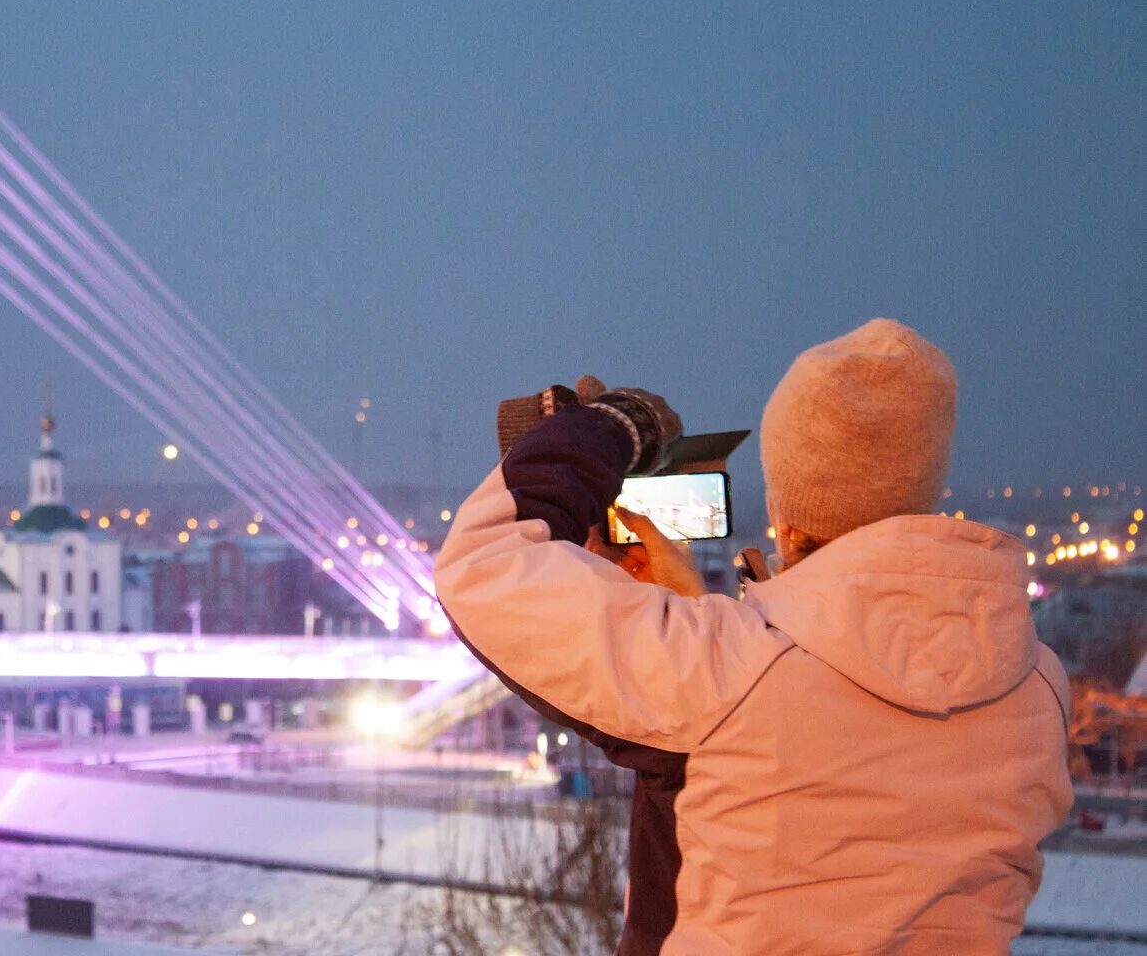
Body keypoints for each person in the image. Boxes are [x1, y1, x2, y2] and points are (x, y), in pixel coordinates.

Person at [434, 319, 1071, 955]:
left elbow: (487, 565)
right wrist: (701, 614)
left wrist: (608, 428)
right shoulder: (1038, 686)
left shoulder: (723, 677)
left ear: (787, 521)